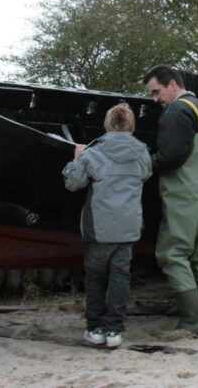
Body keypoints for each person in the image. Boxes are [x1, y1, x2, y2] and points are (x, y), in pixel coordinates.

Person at [143, 65, 198, 337]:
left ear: (173, 85)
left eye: (156, 92)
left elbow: (171, 156)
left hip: (186, 191)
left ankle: (191, 323)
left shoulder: (176, 111)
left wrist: (144, 164)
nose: (155, 99)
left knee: (172, 252)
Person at [62, 102, 152, 349]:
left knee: (96, 279)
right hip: (128, 227)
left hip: (100, 229)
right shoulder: (143, 153)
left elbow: (73, 183)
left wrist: (76, 159)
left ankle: (96, 329)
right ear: (131, 125)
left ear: (107, 124)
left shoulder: (93, 152)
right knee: (121, 278)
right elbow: (146, 175)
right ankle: (114, 331)